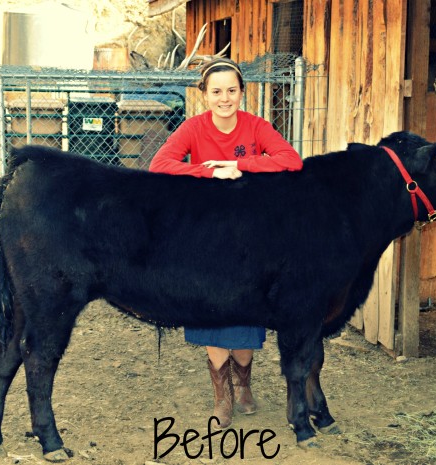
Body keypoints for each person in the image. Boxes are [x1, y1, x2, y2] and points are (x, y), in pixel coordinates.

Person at [149, 57, 303, 428]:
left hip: (249, 234)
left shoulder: (256, 126)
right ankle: (223, 396)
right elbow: (160, 165)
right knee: (211, 310)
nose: (225, 98)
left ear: (241, 93)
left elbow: (291, 160)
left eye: (231, 91)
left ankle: (244, 381)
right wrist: (208, 170)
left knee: (248, 312)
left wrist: (243, 165)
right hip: (206, 234)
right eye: (216, 91)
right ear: (204, 96)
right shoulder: (193, 127)